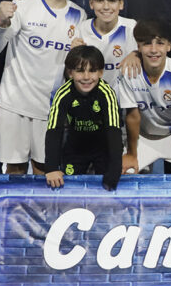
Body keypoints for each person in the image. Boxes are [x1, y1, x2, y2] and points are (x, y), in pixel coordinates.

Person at [0, 0, 86, 176]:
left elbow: (76, 70)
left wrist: (78, 56)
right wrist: (1, 22)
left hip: (51, 107)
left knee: (45, 170)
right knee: (15, 169)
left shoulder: (78, 16)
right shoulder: (24, 5)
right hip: (14, 103)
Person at [117, 19, 171, 175]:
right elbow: (132, 117)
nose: (154, 50)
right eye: (147, 44)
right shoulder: (128, 74)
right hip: (144, 137)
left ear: (169, 46)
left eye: (160, 43)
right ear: (138, 47)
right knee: (127, 172)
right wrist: (131, 154)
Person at [45, 46, 121, 191]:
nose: (86, 77)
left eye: (92, 71)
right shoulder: (62, 94)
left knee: (107, 188)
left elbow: (114, 130)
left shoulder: (107, 93)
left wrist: (115, 168)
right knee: (68, 188)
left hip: (102, 149)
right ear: (70, 73)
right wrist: (51, 167)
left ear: (101, 72)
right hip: (75, 149)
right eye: (80, 71)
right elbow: (54, 130)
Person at [73, 0, 137, 87]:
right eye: (100, 1)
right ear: (91, 3)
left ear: (121, 4)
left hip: (124, 98)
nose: (106, 7)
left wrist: (137, 54)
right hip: (92, 96)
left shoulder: (131, 27)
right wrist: (73, 53)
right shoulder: (81, 29)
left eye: (112, 1)